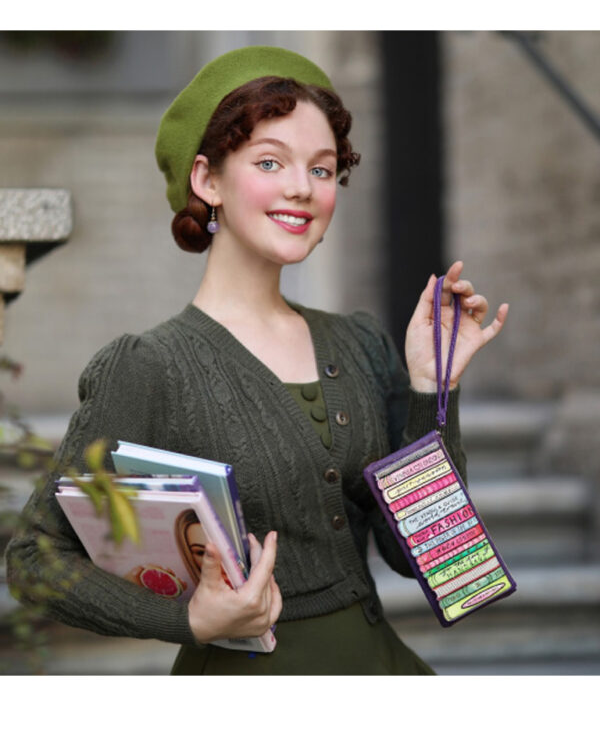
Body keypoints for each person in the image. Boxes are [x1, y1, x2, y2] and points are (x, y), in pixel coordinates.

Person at [6, 45, 508, 675]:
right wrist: (188, 620)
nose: (302, 188)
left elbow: (428, 558)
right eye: (270, 161)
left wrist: (434, 391)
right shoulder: (149, 368)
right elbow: (33, 559)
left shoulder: (361, 343)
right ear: (207, 179)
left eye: (323, 170)